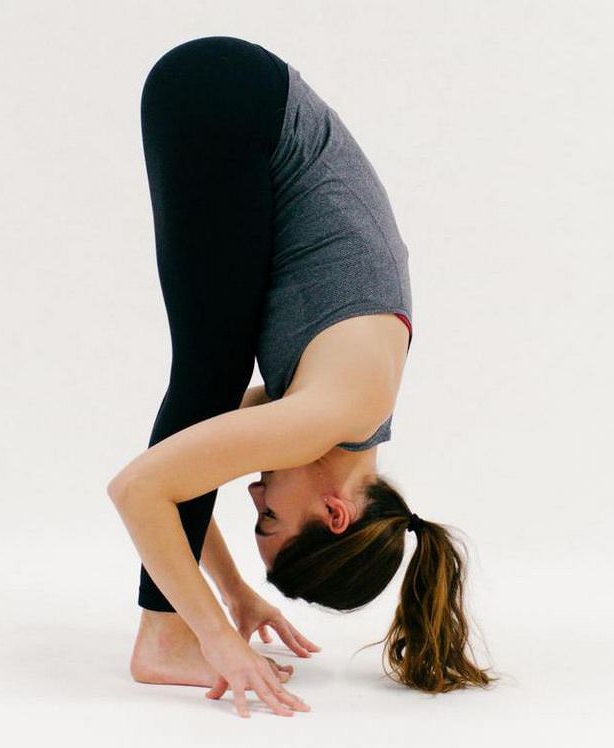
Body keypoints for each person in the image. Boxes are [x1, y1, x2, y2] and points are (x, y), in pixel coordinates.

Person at [107, 35, 495, 719]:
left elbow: (177, 463)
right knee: (208, 374)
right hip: (230, 97)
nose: (254, 492)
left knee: (209, 390)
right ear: (337, 512)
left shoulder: (340, 408)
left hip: (231, 92)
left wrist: (234, 598)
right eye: (270, 518)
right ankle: (163, 638)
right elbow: (139, 491)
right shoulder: (333, 410)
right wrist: (216, 639)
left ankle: (167, 633)